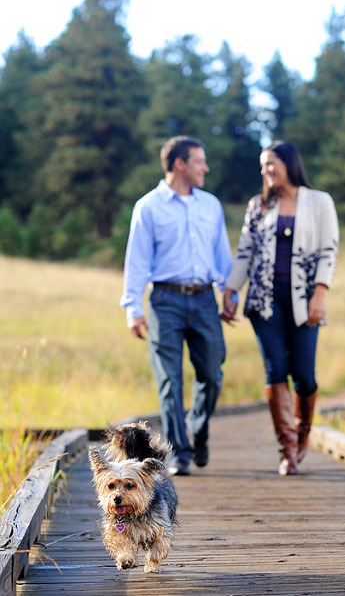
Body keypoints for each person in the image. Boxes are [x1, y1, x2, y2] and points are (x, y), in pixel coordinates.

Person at [222, 141, 339, 476]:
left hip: (304, 300)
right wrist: (231, 290)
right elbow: (245, 252)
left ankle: (302, 436)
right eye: (262, 165)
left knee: (303, 375)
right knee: (275, 370)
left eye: (271, 163)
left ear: (289, 163)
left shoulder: (319, 201)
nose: (266, 171)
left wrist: (321, 292)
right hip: (263, 300)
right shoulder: (258, 205)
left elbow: (329, 249)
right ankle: (286, 449)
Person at [120, 135, 232, 476]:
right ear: (180, 164)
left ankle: (197, 429)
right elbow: (136, 259)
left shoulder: (210, 204)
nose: (206, 168)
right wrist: (132, 307)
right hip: (164, 301)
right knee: (169, 380)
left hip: (204, 299)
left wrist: (229, 293)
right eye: (200, 161)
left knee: (212, 374)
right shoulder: (149, 206)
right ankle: (180, 451)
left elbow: (221, 255)